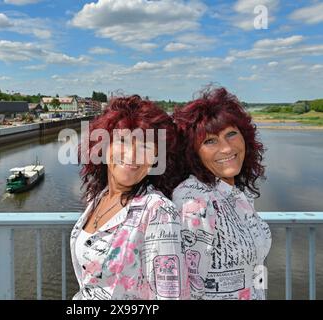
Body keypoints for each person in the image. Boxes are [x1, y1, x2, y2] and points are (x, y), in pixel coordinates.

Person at [70, 95, 189, 300]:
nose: (132, 155)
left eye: (145, 146)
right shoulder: (98, 197)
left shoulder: (158, 211)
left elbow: (170, 296)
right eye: (122, 141)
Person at [172, 87, 272, 300]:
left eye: (231, 134)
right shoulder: (195, 200)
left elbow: (256, 267)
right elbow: (187, 289)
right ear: (193, 152)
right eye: (210, 141)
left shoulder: (237, 193)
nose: (226, 148)